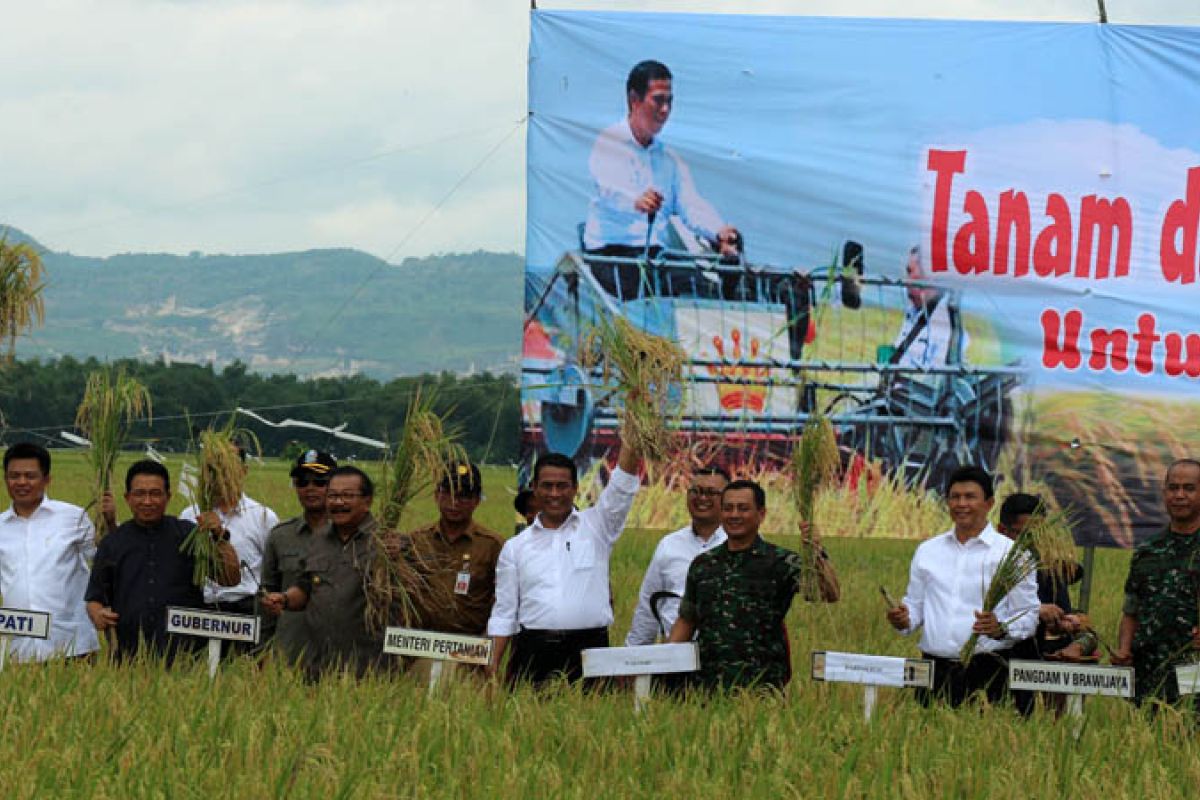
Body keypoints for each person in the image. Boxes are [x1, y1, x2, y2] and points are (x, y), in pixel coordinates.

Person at [486, 430, 642, 685]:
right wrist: (492, 666)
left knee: (593, 722)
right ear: (534, 488)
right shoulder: (515, 548)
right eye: (547, 486)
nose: (555, 494)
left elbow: (622, 487)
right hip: (534, 652)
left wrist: (635, 427)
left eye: (562, 486)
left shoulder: (598, 527)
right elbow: (504, 613)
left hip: (591, 651)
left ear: (575, 488)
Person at [885, 465, 1038, 711]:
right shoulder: (928, 551)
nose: (961, 504)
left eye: (970, 497)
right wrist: (903, 619)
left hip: (988, 671)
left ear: (989, 503)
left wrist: (1001, 628)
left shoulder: (1011, 555)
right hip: (933, 670)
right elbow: (915, 607)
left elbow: (1029, 615)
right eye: (955, 497)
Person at [583, 59, 739, 298]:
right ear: (634, 100)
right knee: (662, 292)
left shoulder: (669, 159)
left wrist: (718, 231)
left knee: (704, 292)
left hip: (655, 256)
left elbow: (691, 205)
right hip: (611, 255)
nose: (665, 109)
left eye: (669, 101)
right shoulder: (609, 142)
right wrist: (636, 201)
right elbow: (609, 191)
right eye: (658, 100)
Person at [667, 480, 839, 691]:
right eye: (728, 508)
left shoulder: (780, 562)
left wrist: (816, 550)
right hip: (707, 686)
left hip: (762, 687)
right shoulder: (703, 565)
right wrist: (664, 666)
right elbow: (687, 620)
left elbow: (829, 592)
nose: (734, 515)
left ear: (761, 514)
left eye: (743, 508)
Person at [84, 460, 240, 662]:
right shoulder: (112, 543)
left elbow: (230, 578)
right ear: (127, 498)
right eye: (140, 494)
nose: (147, 501)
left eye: (155, 494)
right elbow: (94, 598)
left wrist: (219, 535)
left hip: (187, 654)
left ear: (168, 497)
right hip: (129, 655)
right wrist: (98, 615)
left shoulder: (189, 535)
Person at [261, 466, 393, 679]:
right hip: (317, 664)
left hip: (368, 667)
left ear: (367, 501)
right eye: (333, 496)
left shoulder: (387, 544)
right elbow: (306, 587)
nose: (338, 502)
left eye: (347, 496)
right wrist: (284, 599)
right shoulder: (318, 540)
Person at [0, 442, 100, 662]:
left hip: (72, 645)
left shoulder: (75, 518)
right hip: (16, 649)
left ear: (47, 479)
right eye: (14, 476)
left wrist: (110, 524)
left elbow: (103, 563)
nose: (22, 482)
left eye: (30, 476)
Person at [1113, 459, 1200, 705]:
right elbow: (1131, 611)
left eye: (1189, 488)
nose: (1179, 495)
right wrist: (1124, 650)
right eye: (1173, 488)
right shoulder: (1147, 551)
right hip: (1149, 676)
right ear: (1164, 493)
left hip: (1194, 674)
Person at [626, 467, 729, 646]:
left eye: (711, 492)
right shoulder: (669, 545)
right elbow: (647, 608)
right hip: (674, 653)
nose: (702, 498)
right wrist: (632, 656)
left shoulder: (741, 543)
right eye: (695, 491)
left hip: (725, 655)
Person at [180, 447, 279, 634]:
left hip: (247, 612)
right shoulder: (190, 515)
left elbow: (274, 570)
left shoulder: (263, 516)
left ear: (244, 471)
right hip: (200, 611)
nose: (221, 475)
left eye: (229, 468)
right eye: (213, 469)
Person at [996, 493, 1095, 660]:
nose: (1034, 542)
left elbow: (1062, 622)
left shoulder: (1049, 572)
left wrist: (1062, 624)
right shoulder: (983, 566)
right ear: (1002, 531)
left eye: (1039, 535)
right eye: (1026, 535)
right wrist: (1035, 612)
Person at [260, 450, 336, 664]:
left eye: (320, 481)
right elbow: (266, 595)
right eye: (302, 482)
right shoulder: (280, 536)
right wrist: (262, 651)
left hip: (340, 656)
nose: (310, 488)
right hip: (289, 653)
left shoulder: (352, 536)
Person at [890, 246, 967, 370]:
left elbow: (935, 380)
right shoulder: (916, 311)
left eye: (910, 272)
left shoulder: (946, 322)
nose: (905, 281)